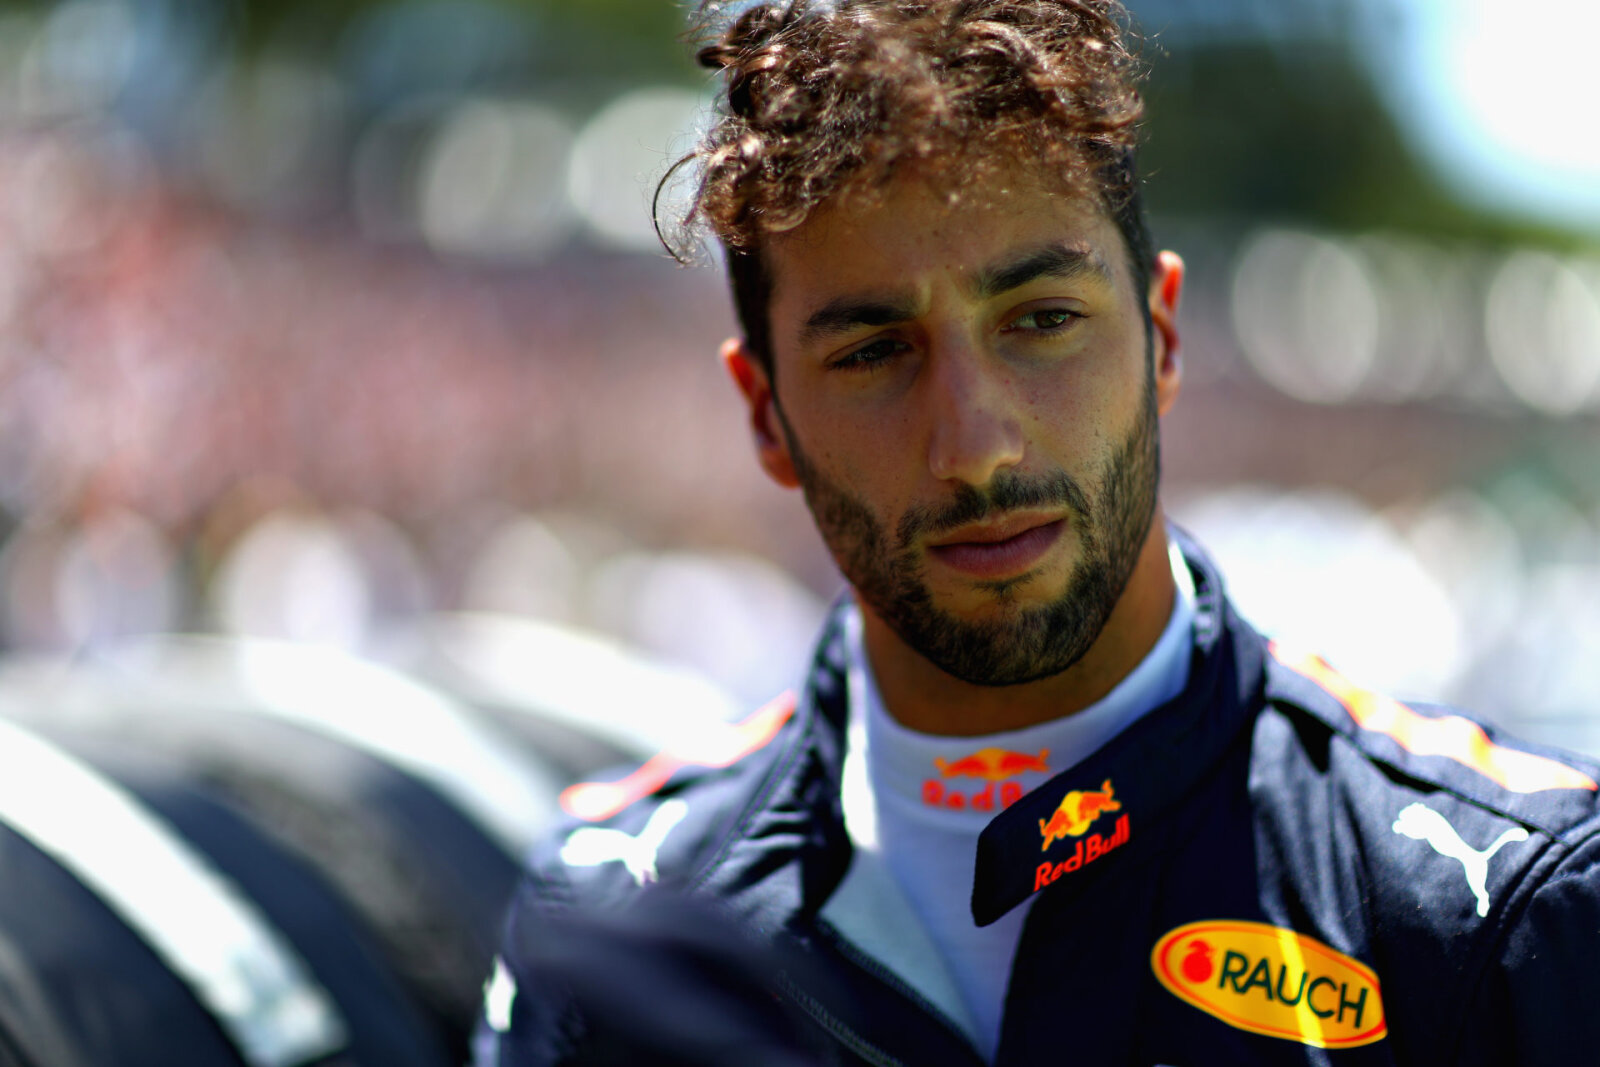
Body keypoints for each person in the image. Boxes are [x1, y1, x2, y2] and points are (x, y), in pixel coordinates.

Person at [479, 1, 1600, 1063]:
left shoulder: (1509, 911)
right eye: (873, 351)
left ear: (1160, 338)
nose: (975, 446)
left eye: (1041, 321)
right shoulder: (608, 923)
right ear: (766, 410)